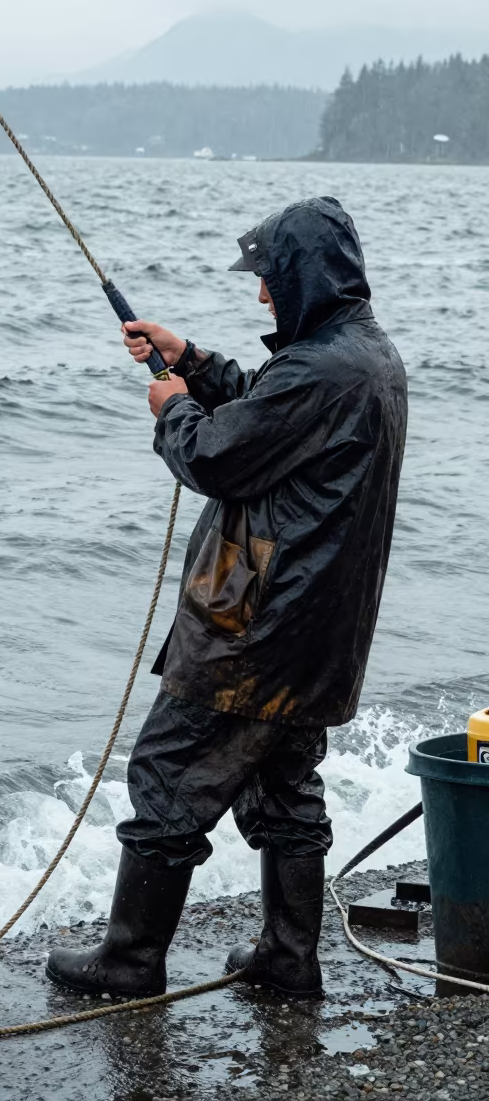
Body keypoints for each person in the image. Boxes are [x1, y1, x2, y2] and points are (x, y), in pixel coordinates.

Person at [46, 196, 407, 1000]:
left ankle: (130, 962)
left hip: (258, 629)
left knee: (167, 776)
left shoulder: (320, 368)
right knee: (285, 788)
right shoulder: (362, 354)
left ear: (307, 276)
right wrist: (195, 361)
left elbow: (215, 455)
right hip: (318, 631)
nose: (262, 293)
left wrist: (173, 406)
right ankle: (288, 957)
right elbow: (266, 408)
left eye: (270, 278)